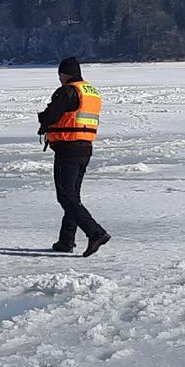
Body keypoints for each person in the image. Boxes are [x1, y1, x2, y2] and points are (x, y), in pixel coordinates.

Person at [36, 57, 109, 257]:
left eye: (59, 75)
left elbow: (52, 115)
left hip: (68, 148)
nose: (59, 79)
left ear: (64, 74)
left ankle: (95, 232)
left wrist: (43, 118)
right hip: (85, 147)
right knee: (72, 196)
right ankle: (66, 240)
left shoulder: (67, 91)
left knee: (66, 196)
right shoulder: (90, 92)